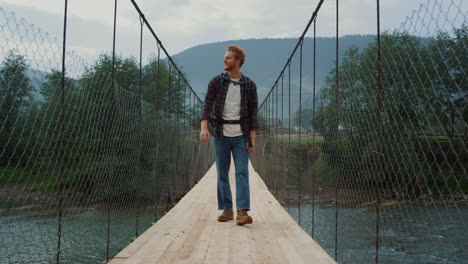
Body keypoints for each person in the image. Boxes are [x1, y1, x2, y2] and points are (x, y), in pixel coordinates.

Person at [200, 45, 258, 225]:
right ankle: (227, 209)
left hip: (241, 135)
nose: (224, 60)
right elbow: (206, 108)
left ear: (238, 61)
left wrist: (252, 139)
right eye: (225, 58)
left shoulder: (249, 85)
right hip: (220, 134)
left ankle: (242, 212)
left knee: (242, 172)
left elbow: (253, 115)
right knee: (222, 174)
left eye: (229, 58)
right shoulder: (216, 83)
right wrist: (204, 128)